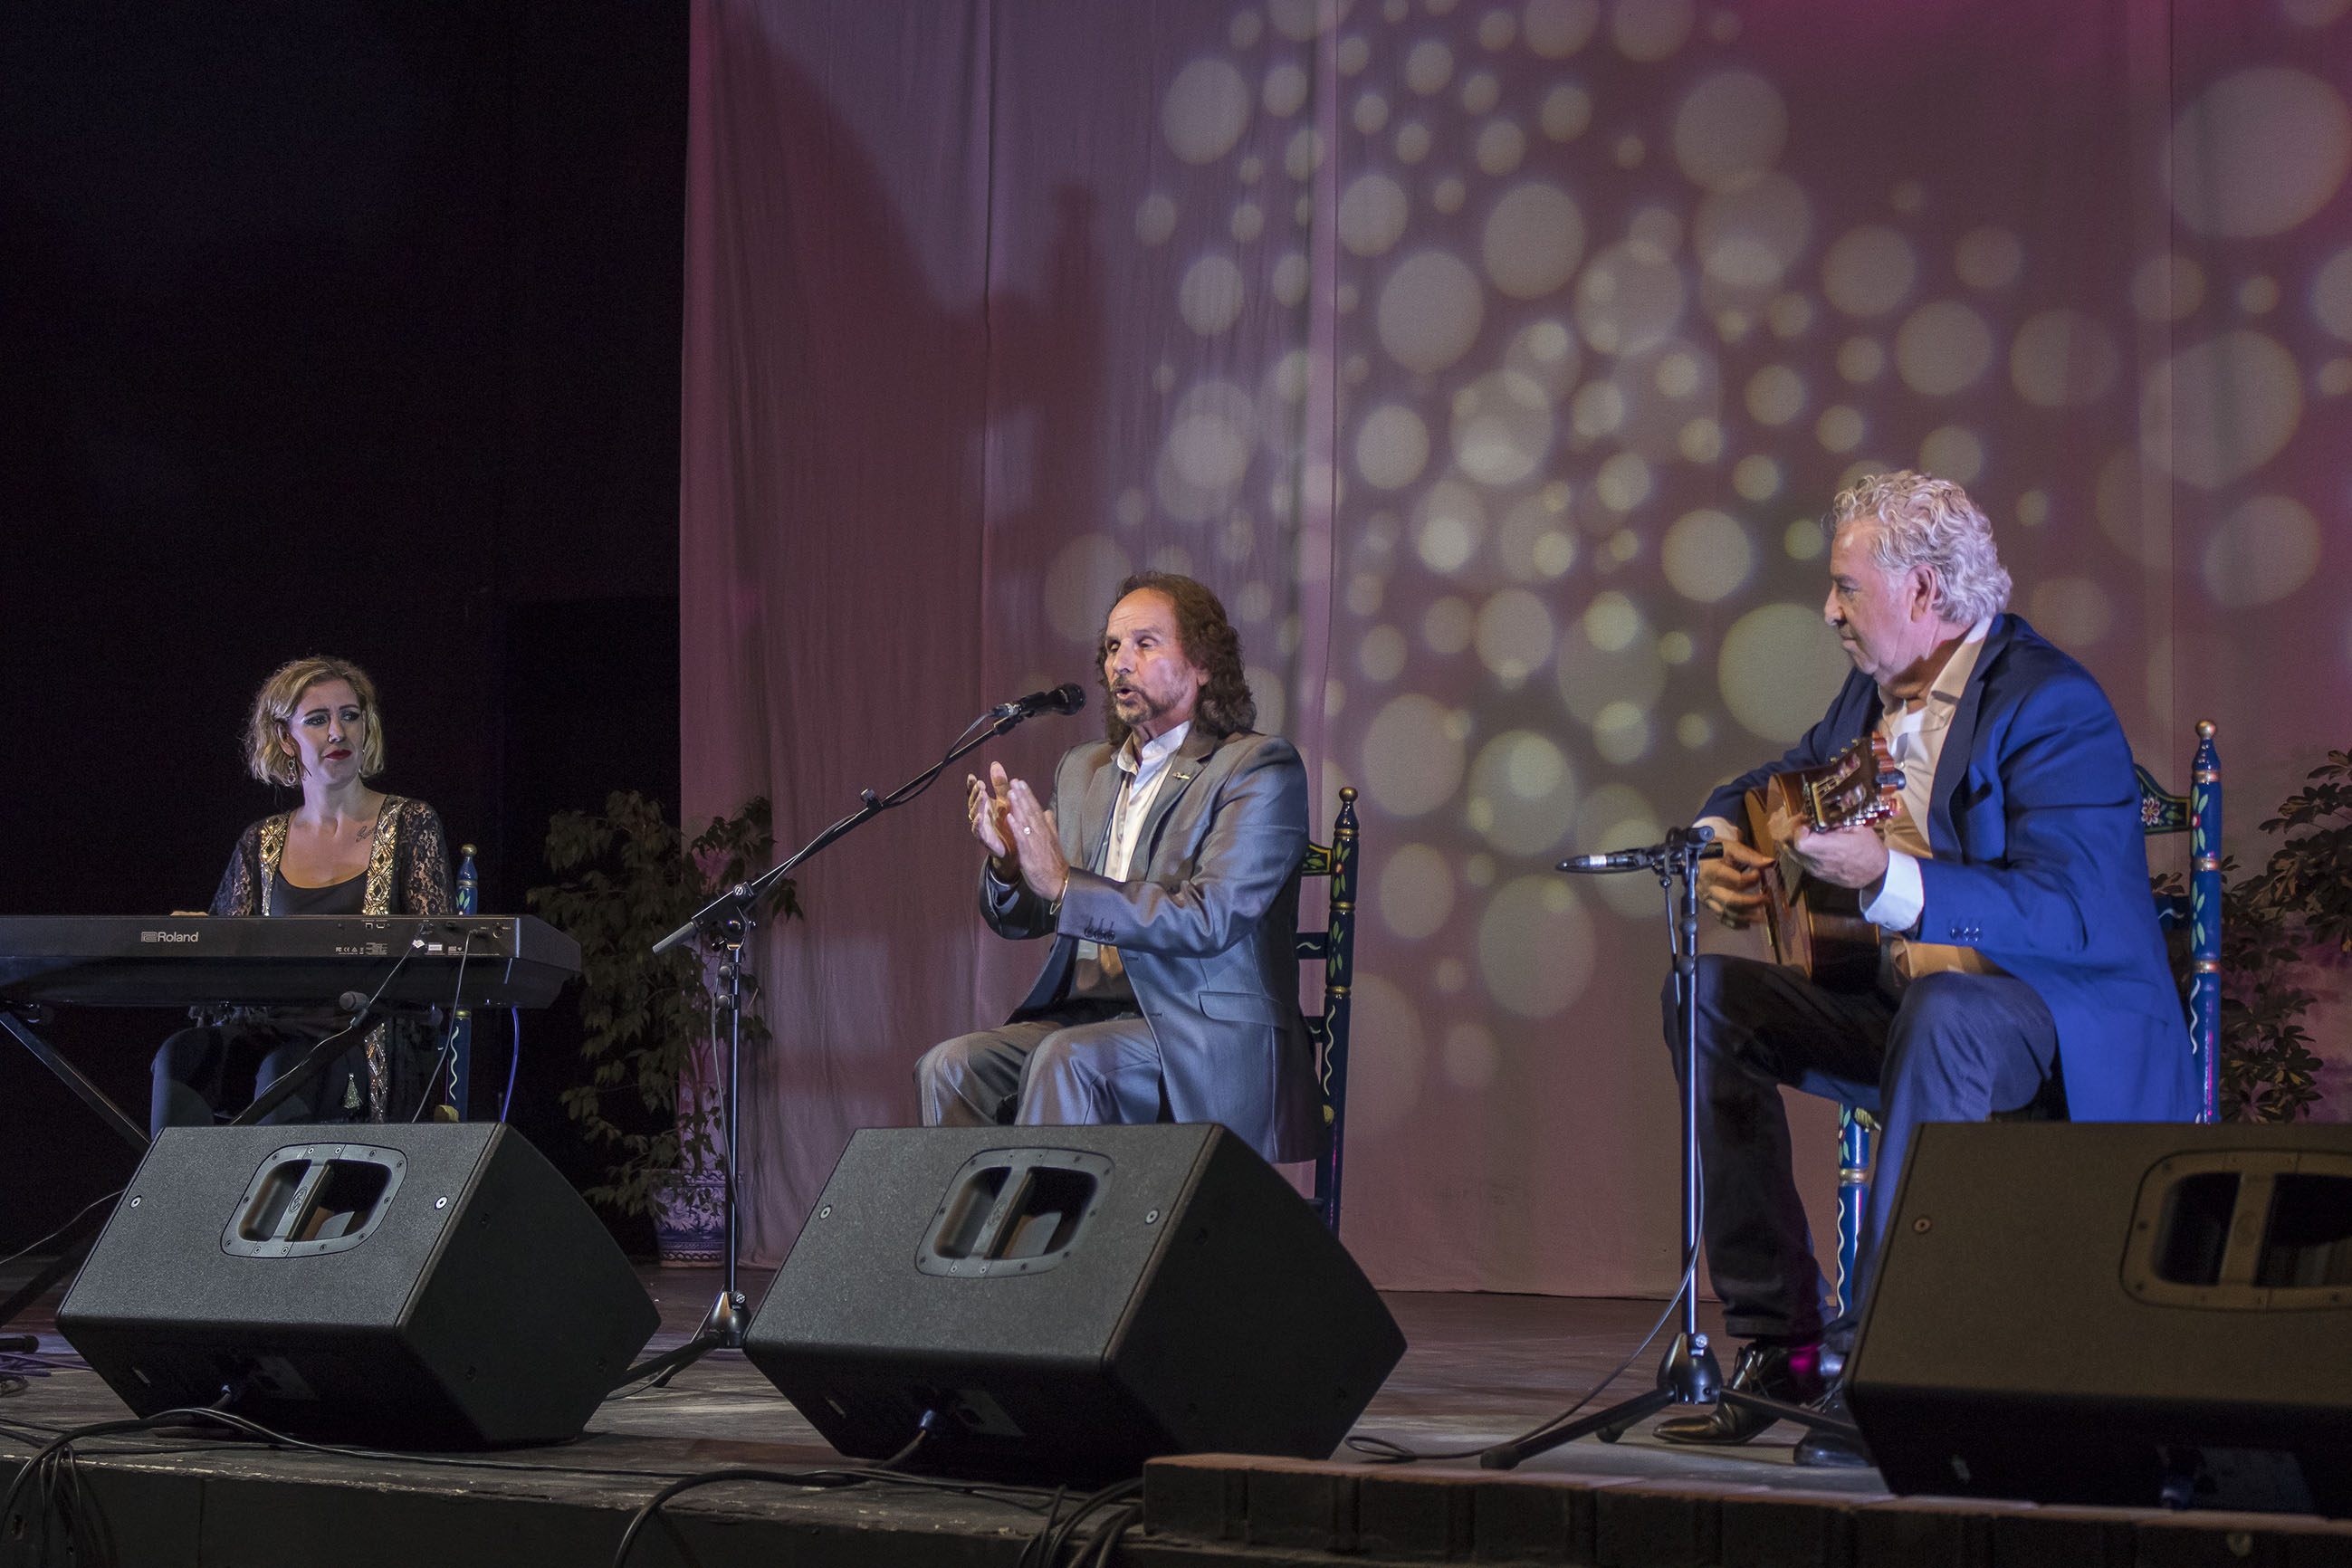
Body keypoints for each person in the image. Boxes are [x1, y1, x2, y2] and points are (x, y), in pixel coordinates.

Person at [1655, 472, 2196, 1465]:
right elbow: (1771, 781)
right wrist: (1722, 837)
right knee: (1707, 995)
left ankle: (1888, 1367)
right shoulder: (1873, 693)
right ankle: (1783, 1342)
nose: (1828, 610)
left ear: (1926, 591)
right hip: (1915, 1013)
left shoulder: (2052, 703)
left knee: (1948, 1009)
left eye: (1846, 588)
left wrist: (1890, 875)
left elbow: (2070, 913)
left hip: (2059, 1022)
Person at [913, 572, 1320, 1164]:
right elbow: (1026, 917)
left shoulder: (1257, 768)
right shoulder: (1084, 771)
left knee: (1068, 1061)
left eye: (1145, 644)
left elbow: (1211, 919)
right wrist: (1008, 866)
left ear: (1204, 664)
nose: (1120, 664)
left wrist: (1062, 883)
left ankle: (1044, 1255)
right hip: (1089, 1017)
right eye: (1110, 648)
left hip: (1202, 1033)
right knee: (949, 1067)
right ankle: (961, 1248)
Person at [150, 656, 454, 1133]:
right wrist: (203, 936)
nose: (338, 732)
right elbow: (221, 971)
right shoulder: (260, 841)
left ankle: (282, 1204)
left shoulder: (411, 824)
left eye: (350, 715)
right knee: (181, 1054)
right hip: (271, 1032)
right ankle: (182, 1203)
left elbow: (440, 957)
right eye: (318, 720)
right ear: (285, 738)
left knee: (284, 1071)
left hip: (359, 1040)